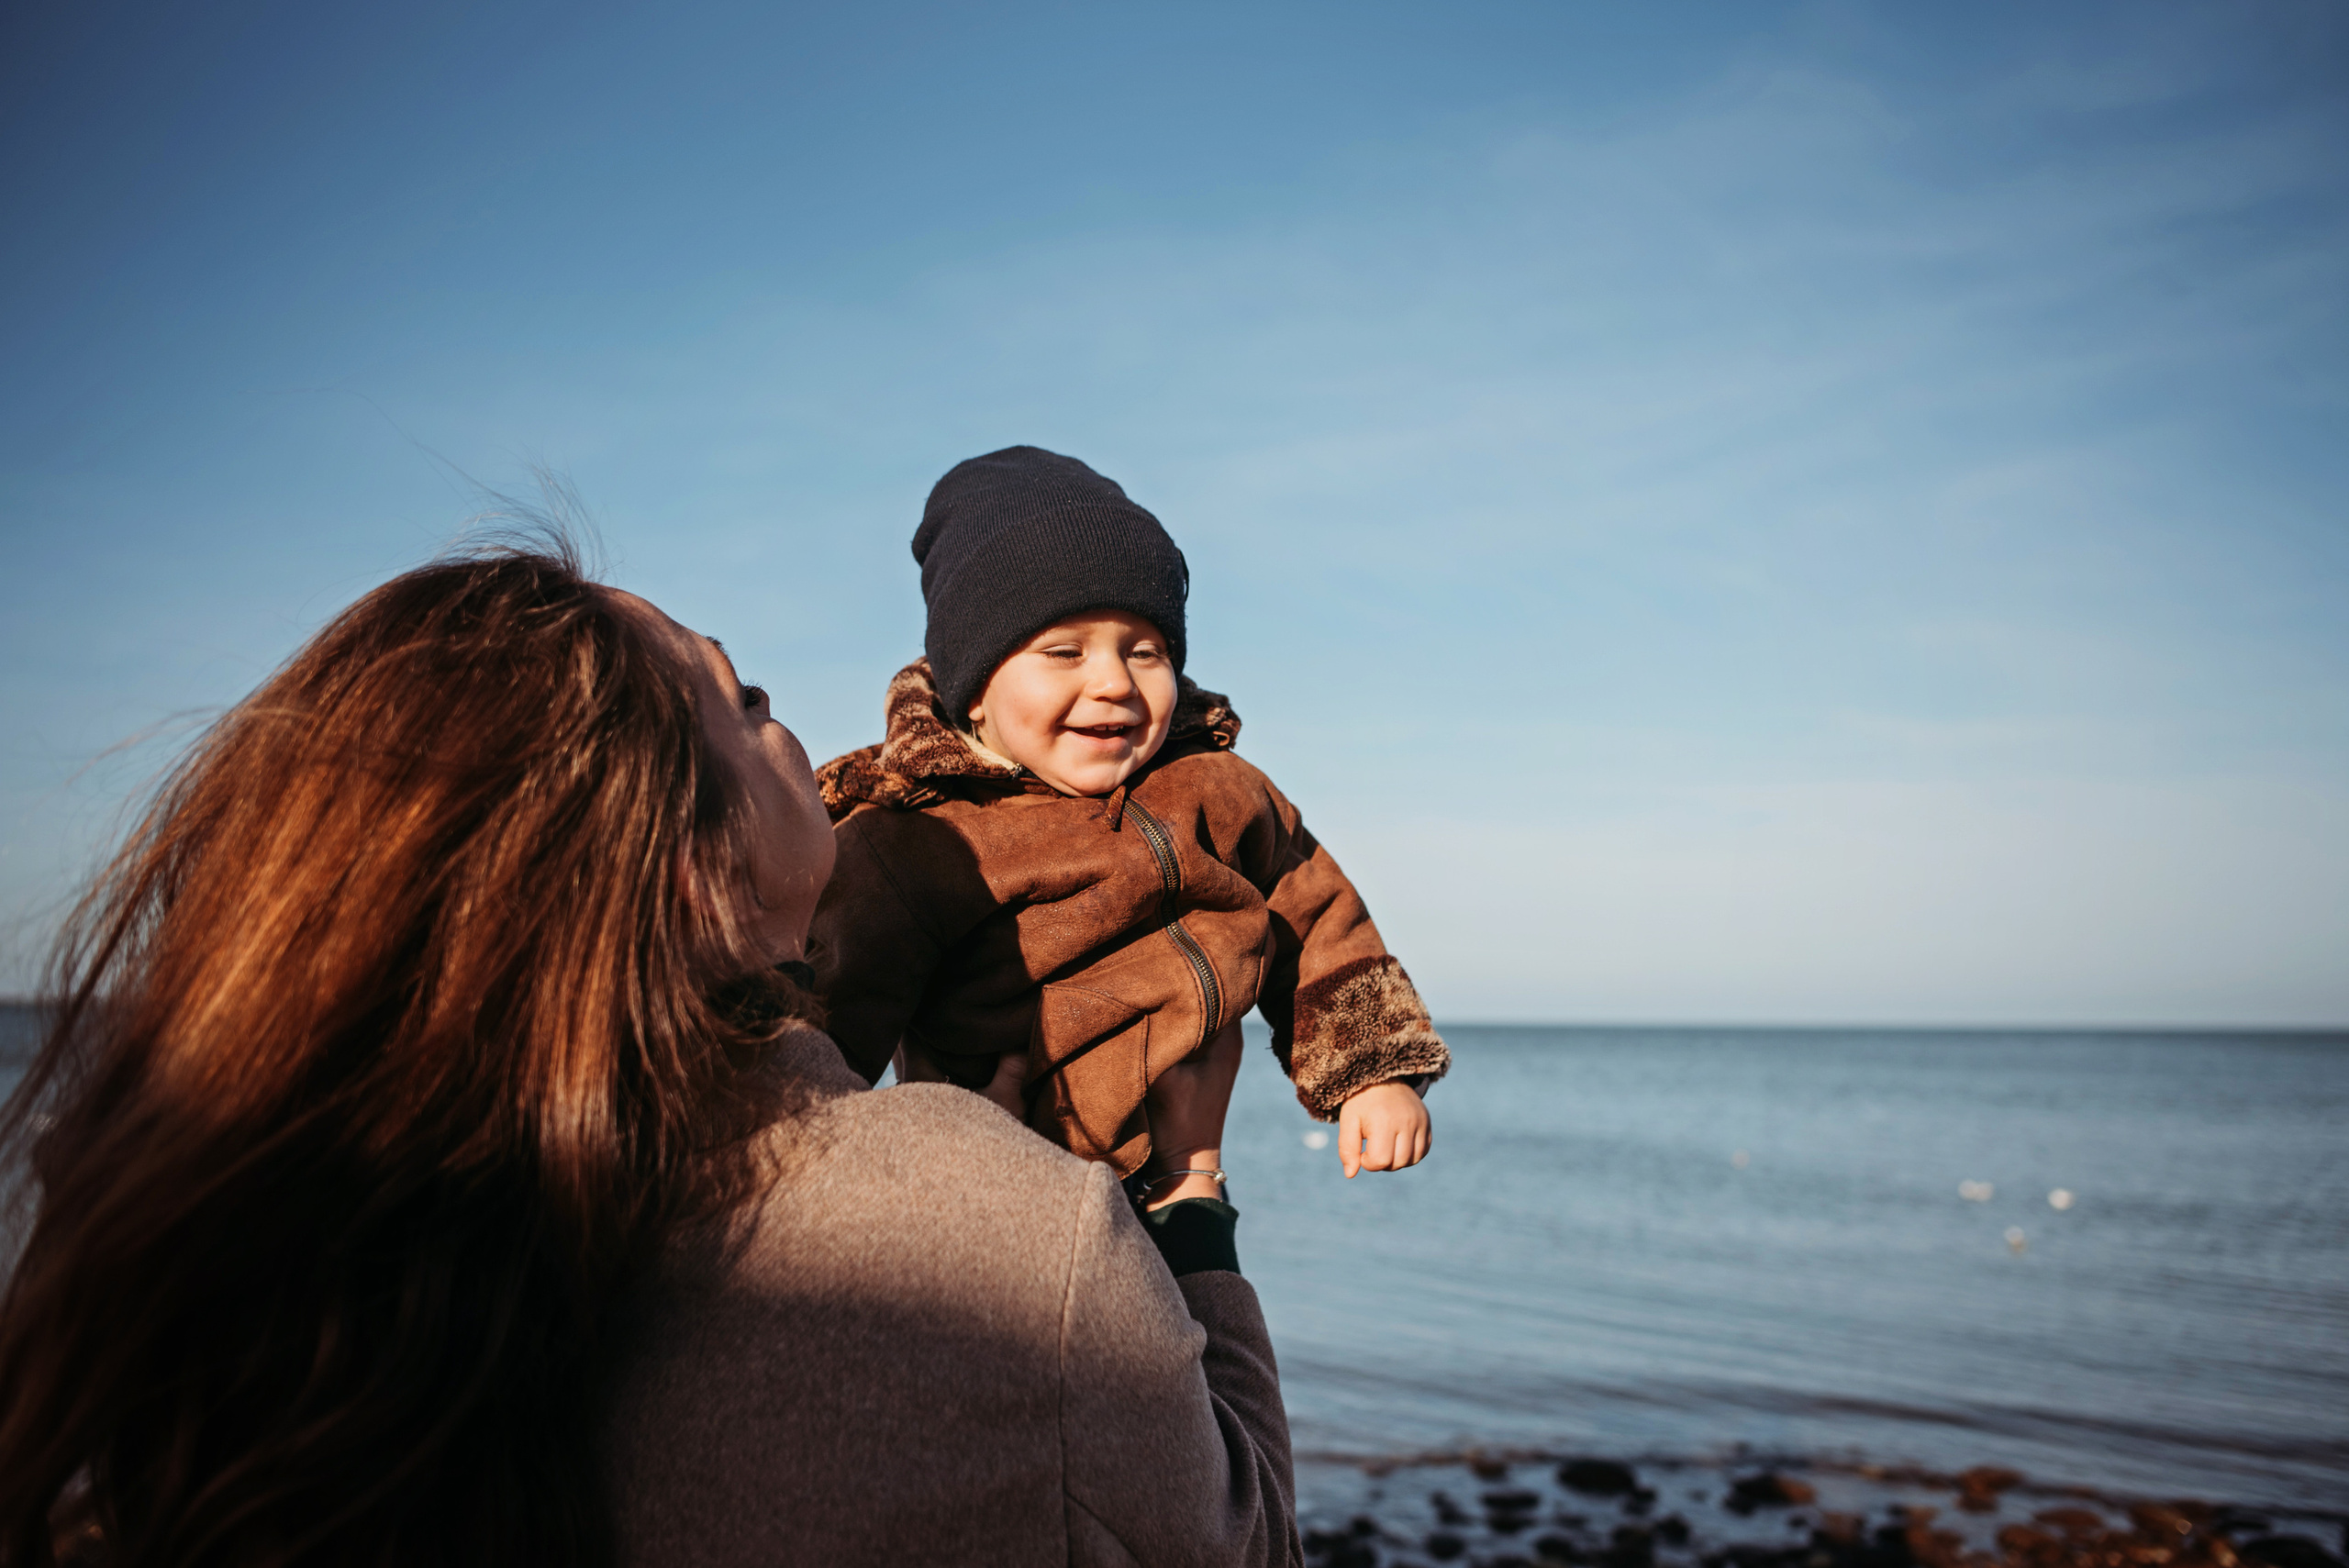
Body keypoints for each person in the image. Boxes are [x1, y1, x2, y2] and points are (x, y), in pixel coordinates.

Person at [0, 541, 1298, 1567]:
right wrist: (1187, 1199)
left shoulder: (241, 1276)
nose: (792, 728)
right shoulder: (1008, 1237)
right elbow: (1245, 1543)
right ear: (682, 864)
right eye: (744, 704)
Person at [812, 446, 1452, 1197]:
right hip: (999, 1181)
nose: (1114, 681)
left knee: (1196, 1309)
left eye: (1146, 651)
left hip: (1163, 1170)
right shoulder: (918, 834)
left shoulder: (1218, 787)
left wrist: (1375, 1073)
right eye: (1064, 651)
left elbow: (1315, 917)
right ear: (974, 690)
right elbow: (833, 1015)